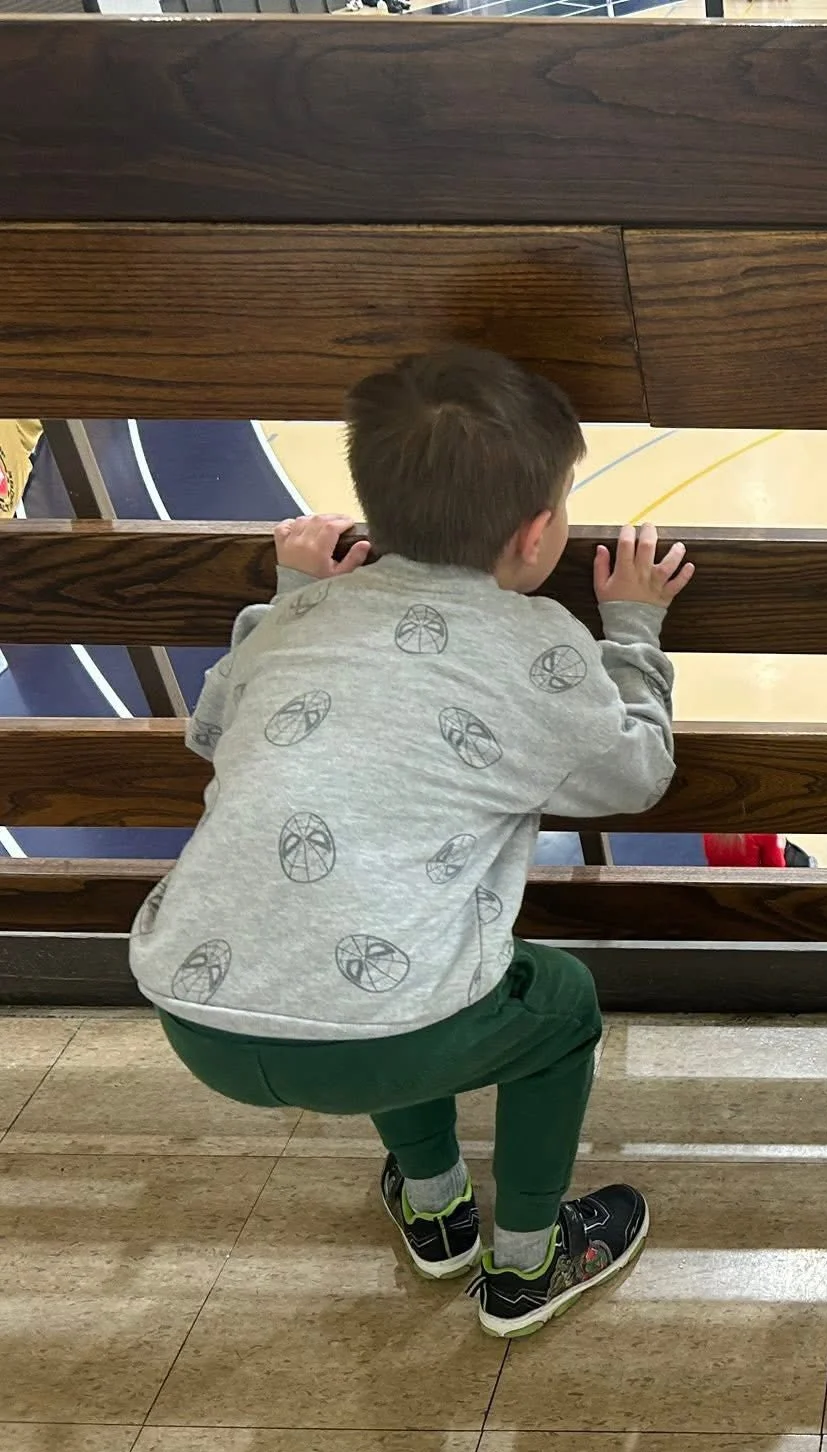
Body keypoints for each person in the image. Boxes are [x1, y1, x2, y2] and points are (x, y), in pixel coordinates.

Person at [132, 347, 693, 1338]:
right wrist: (633, 630)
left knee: (371, 927)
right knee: (554, 1003)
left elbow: (212, 732)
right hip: (380, 1037)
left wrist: (290, 593)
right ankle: (527, 1261)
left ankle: (434, 1203)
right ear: (536, 537)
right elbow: (634, 775)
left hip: (194, 1013)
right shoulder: (538, 644)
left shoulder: (299, 616)